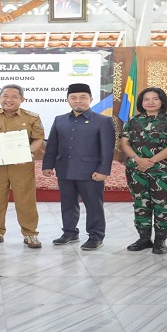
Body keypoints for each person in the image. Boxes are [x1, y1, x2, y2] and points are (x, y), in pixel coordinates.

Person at [42, 83, 115, 250]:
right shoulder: (60, 120)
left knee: (93, 205)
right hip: (65, 169)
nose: (78, 101)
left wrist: (103, 171)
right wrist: (48, 165)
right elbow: (52, 144)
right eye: (73, 98)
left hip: (91, 173)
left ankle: (96, 236)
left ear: (91, 99)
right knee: (67, 203)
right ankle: (69, 232)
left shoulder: (103, 121)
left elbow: (107, 149)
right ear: (67, 100)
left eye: (83, 97)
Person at [0, 84, 44, 248]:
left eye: (14, 97)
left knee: (25, 199)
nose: (9, 100)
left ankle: (30, 234)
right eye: (5, 96)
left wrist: (28, 152)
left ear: (22, 99)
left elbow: (38, 139)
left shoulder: (31, 117)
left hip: (21, 165)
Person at [119, 87, 167, 254]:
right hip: (136, 170)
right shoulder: (133, 120)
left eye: (155, 98)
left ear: (162, 101)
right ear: (141, 102)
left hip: (164, 170)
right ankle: (144, 238)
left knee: (163, 204)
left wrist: (151, 161)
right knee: (141, 204)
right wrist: (137, 159)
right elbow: (125, 143)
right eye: (146, 99)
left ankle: (160, 241)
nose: (150, 102)